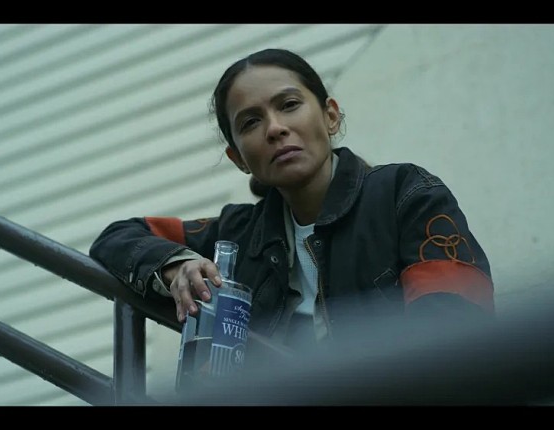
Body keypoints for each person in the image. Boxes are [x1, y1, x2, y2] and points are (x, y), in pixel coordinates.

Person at [89, 48, 493, 361]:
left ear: (330, 115)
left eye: (289, 105)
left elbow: (453, 325)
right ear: (238, 158)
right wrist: (177, 266)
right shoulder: (237, 235)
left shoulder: (404, 194)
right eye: (251, 122)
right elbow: (118, 237)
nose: (276, 128)